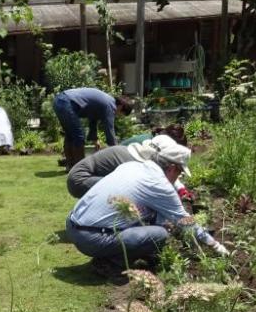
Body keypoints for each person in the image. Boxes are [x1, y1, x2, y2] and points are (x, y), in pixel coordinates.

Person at [65, 143, 229, 271]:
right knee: (160, 234)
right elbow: (186, 221)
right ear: (172, 168)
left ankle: (119, 253)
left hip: (72, 224)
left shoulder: (132, 166)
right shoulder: (160, 185)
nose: (179, 177)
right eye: (180, 173)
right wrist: (215, 246)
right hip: (90, 238)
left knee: (149, 217)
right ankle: (110, 263)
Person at [67, 134, 195, 200]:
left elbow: (168, 171)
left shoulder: (141, 152)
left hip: (87, 176)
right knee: (129, 192)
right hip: (79, 180)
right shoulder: (131, 163)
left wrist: (181, 189)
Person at [53, 87, 134, 169]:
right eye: (120, 114)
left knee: (71, 135)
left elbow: (93, 120)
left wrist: (94, 139)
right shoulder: (110, 105)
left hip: (59, 100)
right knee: (79, 136)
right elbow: (109, 129)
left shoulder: (106, 102)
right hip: (67, 102)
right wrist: (117, 152)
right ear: (120, 106)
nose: (117, 116)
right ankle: (80, 169)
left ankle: (70, 166)